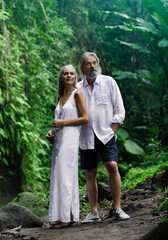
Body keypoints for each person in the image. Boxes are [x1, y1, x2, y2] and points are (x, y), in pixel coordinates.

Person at [77, 52, 130, 223]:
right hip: (86, 135)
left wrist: (113, 129)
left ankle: (117, 207)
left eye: (94, 63)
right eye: (87, 63)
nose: (92, 66)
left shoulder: (109, 82)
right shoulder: (78, 88)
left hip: (106, 134)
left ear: (98, 65)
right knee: (90, 173)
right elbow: (69, 112)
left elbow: (119, 108)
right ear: (82, 67)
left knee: (112, 165)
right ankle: (93, 212)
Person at [45, 65, 89, 228]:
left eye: (72, 73)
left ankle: (66, 218)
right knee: (59, 176)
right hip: (59, 140)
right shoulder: (61, 96)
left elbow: (85, 118)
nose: (69, 76)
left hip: (71, 139)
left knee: (65, 176)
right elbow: (59, 121)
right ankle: (65, 215)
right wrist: (52, 132)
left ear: (75, 77)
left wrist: (62, 123)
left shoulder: (77, 94)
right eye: (66, 74)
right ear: (61, 77)